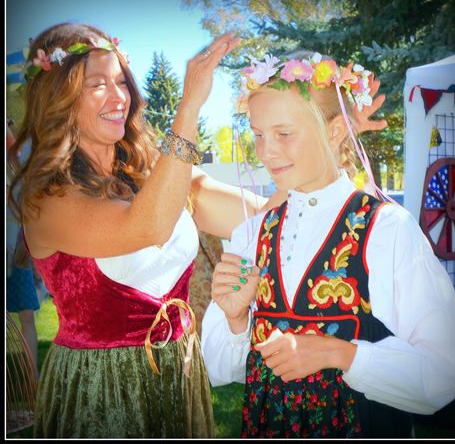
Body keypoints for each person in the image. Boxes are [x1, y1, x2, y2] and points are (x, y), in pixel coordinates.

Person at [7, 23, 386, 438]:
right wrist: (189, 107)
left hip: (180, 374)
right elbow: (148, 225)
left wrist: (332, 139)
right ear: (58, 96)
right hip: (102, 389)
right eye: (97, 84)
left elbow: (266, 214)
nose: (119, 97)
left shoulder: (159, 177)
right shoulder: (47, 201)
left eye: (121, 81)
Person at [201, 51, 455, 438]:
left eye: (284, 134)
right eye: (259, 134)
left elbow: (454, 368)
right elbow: (220, 369)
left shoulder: (385, 229)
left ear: (335, 131)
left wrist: (342, 355)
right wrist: (236, 322)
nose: (266, 152)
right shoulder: (252, 234)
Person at [6, 122, 40, 376]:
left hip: (17, 251)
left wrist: (25, 246)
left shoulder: (22, 172)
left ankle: (31, 380)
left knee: (26, 315)